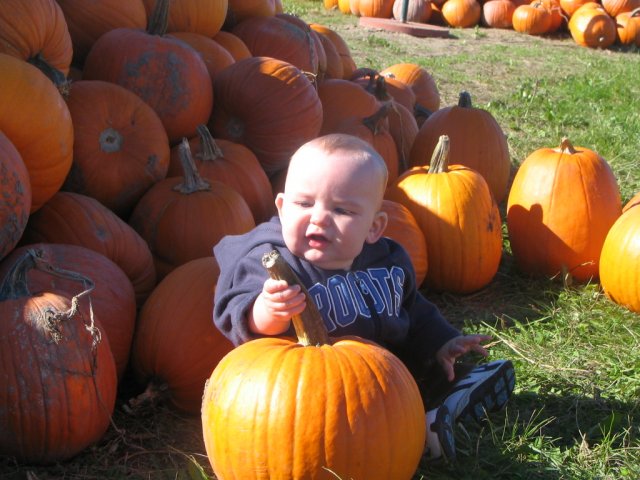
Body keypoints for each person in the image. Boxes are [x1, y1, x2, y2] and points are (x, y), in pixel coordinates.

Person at [213, 133, 515, 461]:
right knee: (355, 430)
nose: (319, 217)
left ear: (374, 227)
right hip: (306, 398)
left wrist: (442, 341)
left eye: (342, 210)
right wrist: (267, 310)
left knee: (431, 379)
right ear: (283, 209)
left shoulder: (387, 261)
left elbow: (412, 310)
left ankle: (441, 402)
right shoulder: (269, 263)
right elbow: (237, 317)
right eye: (304, 204)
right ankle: (427, 423)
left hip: (387, 382)